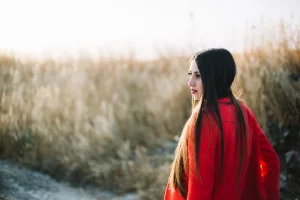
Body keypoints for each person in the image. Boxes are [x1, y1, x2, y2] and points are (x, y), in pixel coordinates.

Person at [164, 48, 280, 200]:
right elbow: (272, 162)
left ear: (215, 77)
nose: (190, 82)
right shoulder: (244, 112)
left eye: (198, 76)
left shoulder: (204, 120)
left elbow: (201, 186)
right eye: (190, 74)